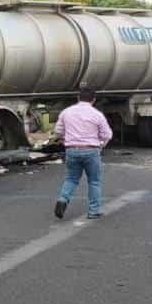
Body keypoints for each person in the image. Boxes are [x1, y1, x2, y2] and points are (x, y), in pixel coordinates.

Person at [53, 87, 113, 220]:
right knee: (94, 181)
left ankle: (63, 200)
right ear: (94, 100)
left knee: (71, 178)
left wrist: (65, 140)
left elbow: (57, 131)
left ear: (78, 97)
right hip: (91, 150)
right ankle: (94, 211)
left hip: (71, 149)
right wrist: (102, 144)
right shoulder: (97, 114)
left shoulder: (66, 112)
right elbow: (107, 134)